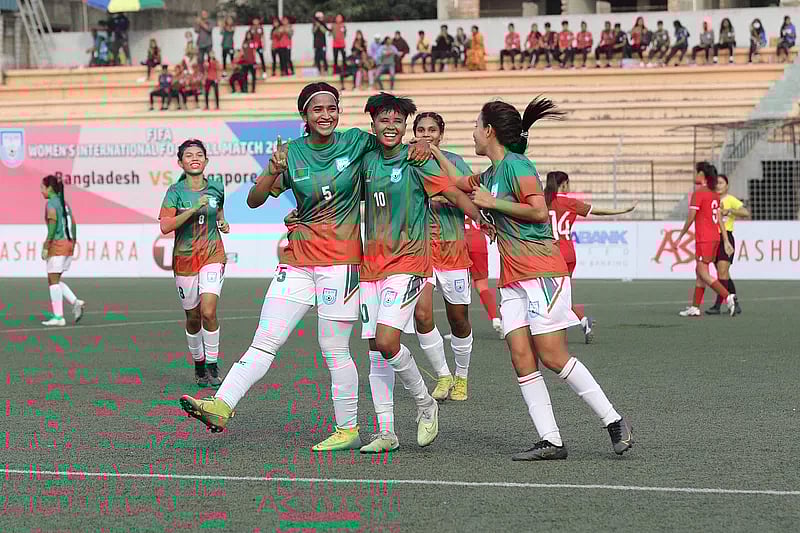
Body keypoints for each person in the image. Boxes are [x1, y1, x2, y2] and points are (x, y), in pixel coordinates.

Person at [179, 83, 431, 450]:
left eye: (332, 108)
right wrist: (271, 169)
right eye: (317, 110)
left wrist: (422, 145)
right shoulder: (292, 153)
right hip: (297, 260)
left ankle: (347, 429)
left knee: (334, 350)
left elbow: (391, 141)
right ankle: (222, 404)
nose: (326, 115)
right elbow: (253, 200)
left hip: (341, 264)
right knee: (265, 339)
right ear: (304, 116)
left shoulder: (356, 142)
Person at [455, 96, 633, 460]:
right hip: (513, 279)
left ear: (489, 131)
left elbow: (539, 212)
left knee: (552, 356)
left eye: (475, 126)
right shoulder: (489, 174)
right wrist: (430, 152)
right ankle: (550, 440)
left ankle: (614, 421)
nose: (472, 132)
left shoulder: (518, 165)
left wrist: (493, 203)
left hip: (541, 272)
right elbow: (455, 182)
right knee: (521, 358)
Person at [357, 93, 481, 453]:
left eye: (398, 121)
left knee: (387, 341)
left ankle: (426, 403)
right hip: (371, 267)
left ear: (404, 127)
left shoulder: (417, 160)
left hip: (408, 262)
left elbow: (454, 193)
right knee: (375, 350)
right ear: (373, 125)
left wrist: (484, 218)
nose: (391, 126)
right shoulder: (366, 160)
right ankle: (386, 431)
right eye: (384, 120)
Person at [412, 112, 479, 402]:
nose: (426, 135)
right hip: (419, 250)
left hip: (453, 250)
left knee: (458, 319)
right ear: (413, 132)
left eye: (432, 130)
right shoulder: (407, 161)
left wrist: (443, 195)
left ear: (441, 134)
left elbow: (471, 193)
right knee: (421, 314)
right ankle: (443, 374)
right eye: (421, 130)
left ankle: (462, 376)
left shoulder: (454, 162)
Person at [159, 139, 229, 387]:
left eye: (199, 154)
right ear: (181, 163)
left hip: (212, 254)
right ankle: (199, 364)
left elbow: (218, 211)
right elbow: (166, 226)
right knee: (193, 317)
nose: (194, 158)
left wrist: (222, 222)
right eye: (189, 155)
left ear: (206, 160)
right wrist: (191, 210)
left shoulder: (217, 187)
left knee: (208, 312)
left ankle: (212, 365)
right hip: (185, 259)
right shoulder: (175, 192)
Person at [544, 171, 636, 343]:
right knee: (562, 295)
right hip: (569, 254)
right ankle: (583, 321)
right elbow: (598, 211)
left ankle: (549, 333)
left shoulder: (543, 202)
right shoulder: (571, 203)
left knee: (549, 295)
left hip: (551, 254)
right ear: (564, 184)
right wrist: (623, 210)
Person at [675, 162, 736, 317]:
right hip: (714, 238)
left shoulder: (699, 193)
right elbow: (720, 219)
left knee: (703, 273)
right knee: (699, 272)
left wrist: (680, 236)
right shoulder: (714, 194)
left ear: (702, 175)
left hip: (704, 239)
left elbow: (690, 218)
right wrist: (725, 240)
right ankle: (695, 307)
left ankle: (727, 296)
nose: (694, 175)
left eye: (696, 172)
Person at [40, 175, 85, 327]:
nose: (41, 191)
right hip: (68, 243)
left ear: (49, 188)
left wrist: (46, 245)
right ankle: (76, 302)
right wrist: (73, 242)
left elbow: (52, 227)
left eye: (42, 187)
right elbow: (73, 223)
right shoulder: (64, 203)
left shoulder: (51, 204)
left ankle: (59, 317)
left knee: (53, 281)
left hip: (58, 245)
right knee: (55, 279)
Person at [706, 175, 749, 315]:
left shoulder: (730, 199)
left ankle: (718, 305)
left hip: (726, 238)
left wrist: (729, 211)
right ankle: (735, 302)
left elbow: (745, 212)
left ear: (727, 185)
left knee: (722, 272)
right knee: (723, 274)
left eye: (721, 183)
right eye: (716, 183)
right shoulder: (711, 200)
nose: (718, 185)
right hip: (712, 238)